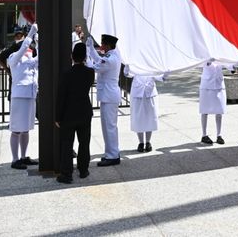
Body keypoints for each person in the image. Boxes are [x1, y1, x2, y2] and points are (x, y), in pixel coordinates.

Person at [55, 42, 94, 184]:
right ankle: (83, 170)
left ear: (72, 56)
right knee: (84, 142)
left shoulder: (66, 74)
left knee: (67, 144)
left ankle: (66, 174)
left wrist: (57, 116)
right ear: (84, 57)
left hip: (68, 113)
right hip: (84, 111)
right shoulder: (90, 73)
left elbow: (61, 97)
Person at [86, 34, 122, 166]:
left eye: (103, 43)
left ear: (107, 45)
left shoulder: (111, 59)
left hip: (108, 96)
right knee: (109, 127)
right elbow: (99, 60)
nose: (101, 45)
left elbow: (93, 67)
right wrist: (90, 49)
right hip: (109, 95)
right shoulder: (112, 55)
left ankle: (113, 156)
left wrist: (87, 53)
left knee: (109, 127)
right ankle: (111, 153)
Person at [8, 23, 39, 169]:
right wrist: (30, 34)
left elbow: (39, 59)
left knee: (26, 128)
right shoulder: (14, 57)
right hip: (19, 97)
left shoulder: (29, 60)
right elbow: (21, 51)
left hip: (30, 95)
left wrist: (38, 43)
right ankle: (15, 159)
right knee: (16, 129)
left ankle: (24, 156)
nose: (27, 49)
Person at [125, 67, 168, 152]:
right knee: (138, 119)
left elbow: (160, 77)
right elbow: (128, 74)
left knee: (150, 119)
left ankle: (148, 142)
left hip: (149, 94)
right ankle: (141, 142)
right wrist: (127, 66)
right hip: (138, 94)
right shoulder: (135, 63)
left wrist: (166, 73)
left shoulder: (151, 64)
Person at [199, 59, 229, 145]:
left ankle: (219, 135)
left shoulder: (220, 55)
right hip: (207, 85)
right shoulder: (205, 55)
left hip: (218, 85)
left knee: (219, 111)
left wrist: (233, 67)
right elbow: (200, 63)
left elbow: (227, 63)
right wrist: (208, 61)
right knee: (204, 111)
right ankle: (204, 135)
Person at [0, 26, 26, 100]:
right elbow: (0, 58)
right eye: (17, 36)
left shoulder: (28, 46)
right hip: (15, 77)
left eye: (21, 36)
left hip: (25, 77)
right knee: (14, 98)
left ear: (24, 36)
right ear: (15, 37)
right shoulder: (13, 46)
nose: (19, 38)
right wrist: (8, 71)